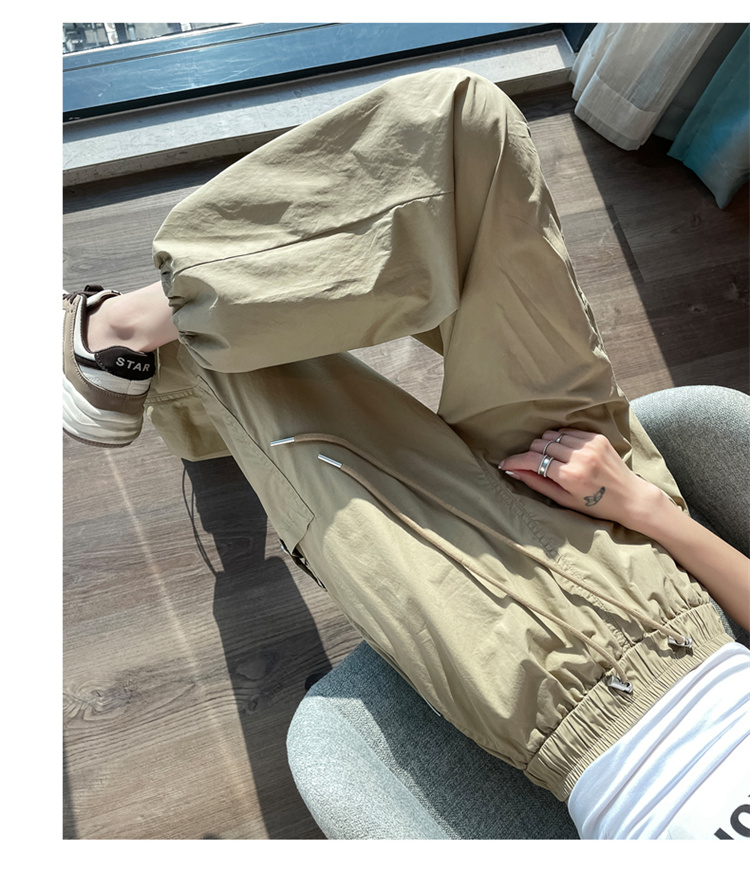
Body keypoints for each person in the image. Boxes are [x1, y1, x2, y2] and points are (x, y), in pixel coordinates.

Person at [62, 68, 749, 839]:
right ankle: (132, 331)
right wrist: (643, 506)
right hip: (654, 565)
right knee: (470, 128)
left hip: (535, 684)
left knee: (254, 382)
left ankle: (128, 357)